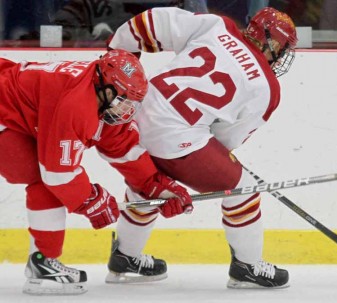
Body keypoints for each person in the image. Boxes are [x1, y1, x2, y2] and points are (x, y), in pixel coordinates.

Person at [107, 6, 298, 288]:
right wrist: (209, 164)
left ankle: (125, 257)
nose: (281, 57)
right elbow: (224, 140)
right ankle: (247, 268)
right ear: (271, 44)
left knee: (148, 185)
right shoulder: (267, 88)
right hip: (173, 138)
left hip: (134, 114)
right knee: (244, 190)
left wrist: (120, 54)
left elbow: (151, 22)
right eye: (282, 49)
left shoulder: (218, 26)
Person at [0, 49, 193, 295]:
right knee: (41, 178)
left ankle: (43, 265)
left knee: (42, 179)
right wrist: (91, 200)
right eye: (123, 99)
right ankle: (44, 266)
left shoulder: (101, 96)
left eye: (131, 102)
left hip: (13, 109)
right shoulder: (76, 103)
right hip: (4, 111)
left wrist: (155, 184)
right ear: (106, 88)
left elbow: (121, 145)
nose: (127, 109)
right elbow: (58, 173)